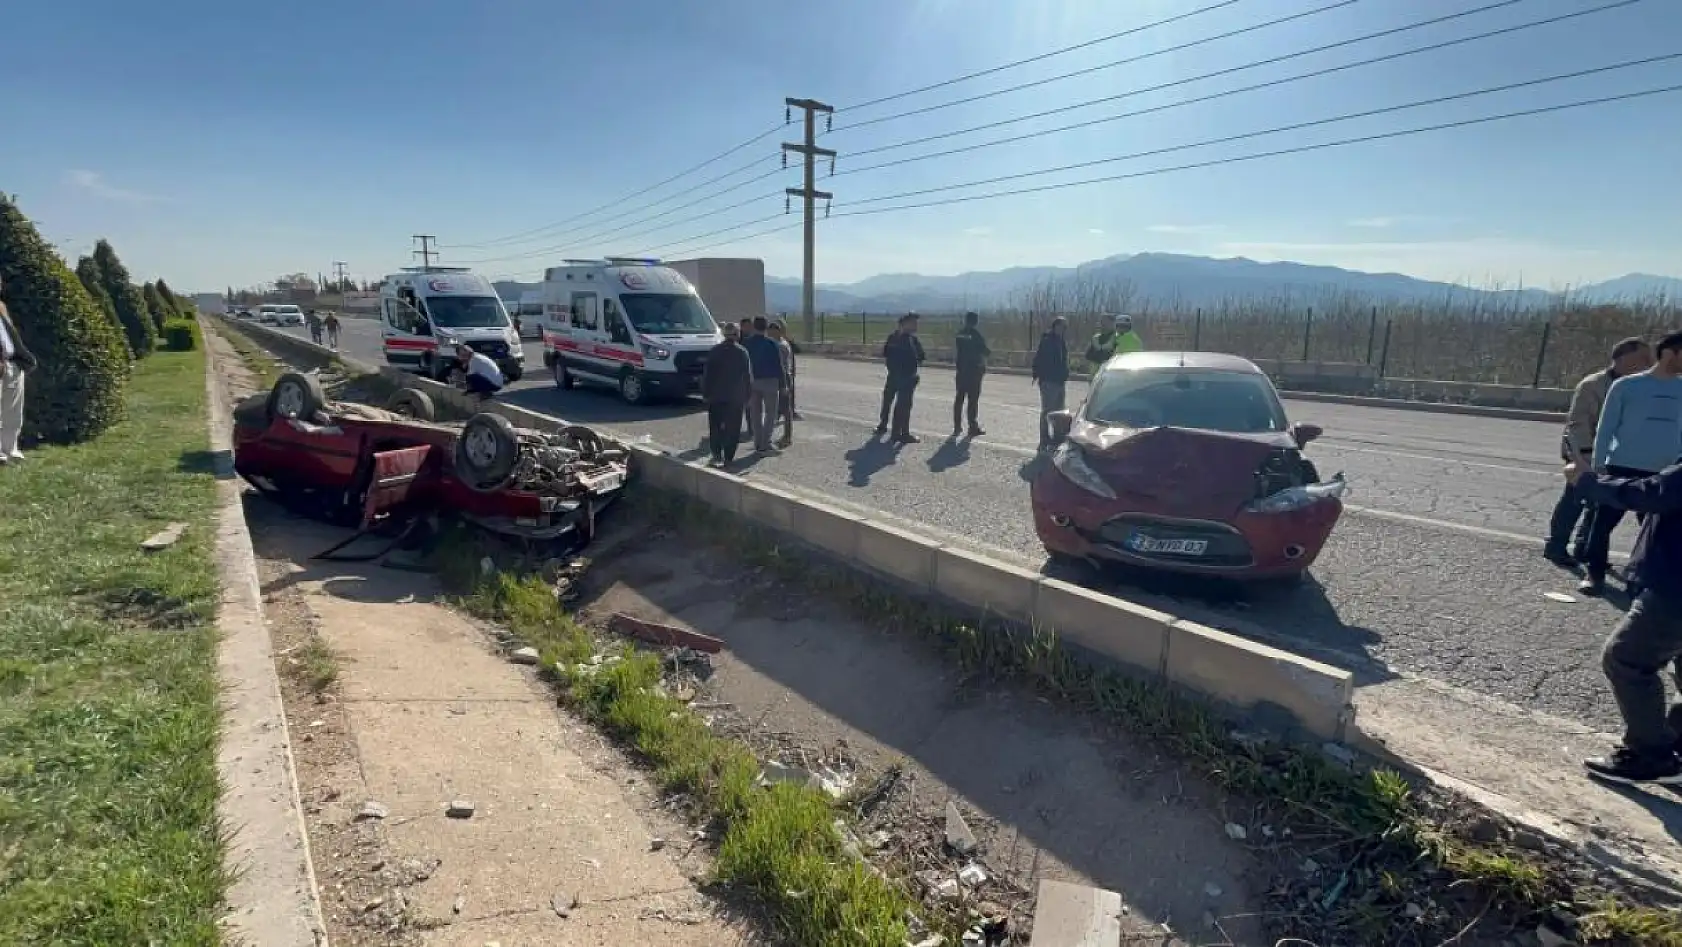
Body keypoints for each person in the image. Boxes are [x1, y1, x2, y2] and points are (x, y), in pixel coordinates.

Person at [1562, 455, 1682, 785]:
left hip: (1674, 586)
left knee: (1626, 659)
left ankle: (1651, 755)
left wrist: (1587, 481)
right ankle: (1675, 748)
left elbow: (1656, 492)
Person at [1579, 331, 1682, 595]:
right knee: (1601, 526)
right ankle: (1595, 574)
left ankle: (1644, 581)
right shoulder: (1626, 386)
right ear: (1670, 352)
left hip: (1663, 472)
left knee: (1655, 534)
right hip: (1622, 466)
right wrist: (1599, 465)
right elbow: (1606, 427)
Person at [1546, 338, 1651, 569]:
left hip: (1616, 456)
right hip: (1584, 452)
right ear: (1624, 357)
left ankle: (1586, 549)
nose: (1649, 362)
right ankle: (1556, 545)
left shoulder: (1637, 387)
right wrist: (1585, 457)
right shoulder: (1593, 385)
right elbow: (1579, 423)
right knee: (1575, 500)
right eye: (1643, 357)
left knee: (1600, 505)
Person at [0, 275, 39, 465]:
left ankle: (11, 448)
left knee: (13, 410)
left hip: (11, 363)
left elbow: (11, 333)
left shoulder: (1, 306)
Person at [701, 322, 752, 467]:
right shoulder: (742, 352)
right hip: (735, 397)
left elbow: (708, 375)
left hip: (716, 396)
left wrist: (705, 392)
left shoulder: (714, 351)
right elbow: (748, 376)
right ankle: (729, 457)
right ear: (737, 335)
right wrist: (748, 395)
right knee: (733, 428)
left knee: (716, 426)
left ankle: (716, 454)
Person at [877, 312, 925, 444]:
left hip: (896, 375)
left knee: (892, 401)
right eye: (914, 322)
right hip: (905, 376)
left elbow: (921, 356)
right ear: (905, 324)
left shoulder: (897, 337)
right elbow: (917, 357)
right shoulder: (907, 339)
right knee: (902, 405)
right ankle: (901, 433)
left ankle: (887, 427)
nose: (916, 325)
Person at [743, 316, 784, 452]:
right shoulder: (772, 344)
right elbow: (779, 366)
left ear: (754, 327)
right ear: (766, 328)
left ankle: (757, 441)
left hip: (752, 381)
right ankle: (765, 443)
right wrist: (783, 385)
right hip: (770, 382)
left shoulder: (746, 344)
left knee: (755, 413)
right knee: (771, 413)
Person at [1031, 317, 1071, 451]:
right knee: (1047, 411)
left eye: (1065, 327)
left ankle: (1058, 437)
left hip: (1059, 381)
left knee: (1059, 411)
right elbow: (1041, 361)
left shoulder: (1061, 341)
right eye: (1061, 326)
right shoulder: (1048, 341)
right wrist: (1041, 376)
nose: (1063, 329)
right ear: (1055, 326)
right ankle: (1044, 438)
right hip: (1049, 381)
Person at [952, 310, 991, 438]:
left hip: (961, 370)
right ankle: (972, 426)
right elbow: (985, 351)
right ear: (975, 321)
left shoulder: (960, 334)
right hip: (974, 371)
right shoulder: (976, 335)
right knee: (972, 401)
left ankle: (957, 426)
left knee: (959, 399)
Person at [768, 320, 795, 448]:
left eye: (772, 331)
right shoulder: (780, 343)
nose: (770, 333)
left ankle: (787, 437)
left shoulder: (780, 345)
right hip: (783, 377)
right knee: (781, 409)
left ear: (778, 331)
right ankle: (782, 436)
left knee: (785, 409)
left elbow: (780, 365)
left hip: (783, 377)